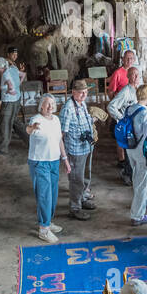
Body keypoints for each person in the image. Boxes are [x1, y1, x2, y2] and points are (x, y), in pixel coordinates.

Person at [26, 94, 69, 242]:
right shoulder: (36, 119)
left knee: (53, 195)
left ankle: (48, 222)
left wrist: (65, 160)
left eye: (52, 103)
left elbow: (59, 140)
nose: (50, 106)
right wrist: (32, 128)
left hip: (54, 162)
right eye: (47, 103)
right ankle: (43, 229)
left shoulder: (56, 120)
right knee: (44, 196)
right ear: (41, 106)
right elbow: (29, 130)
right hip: (40, 162)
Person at [59, 79, 97, 221]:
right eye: (81, 92)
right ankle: (75, 208)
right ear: (73, 92)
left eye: (86, 92)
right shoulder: (68, 108)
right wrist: (64, 157)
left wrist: (93, 120)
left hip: (86, 147)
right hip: (75, 150)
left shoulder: (82, 104)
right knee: (76, 179)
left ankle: (82, 198)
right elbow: (61, 134)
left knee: (86, 176)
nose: (84, 95)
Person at [126, 84, 147, 225]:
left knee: (136, 177)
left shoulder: (130, 109)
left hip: (130, 148)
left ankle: (143, 201)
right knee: (143, 183)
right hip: (141, 151)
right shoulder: (146, 113)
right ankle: (137, 216)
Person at [108, 65, 141, 183]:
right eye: (133, 74)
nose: (136, 77)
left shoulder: (138, 89)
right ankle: (127, 175)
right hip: (128, 126)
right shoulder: (125, 91)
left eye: (138, 75)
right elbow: (111, 106)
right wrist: (121, 119)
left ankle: (131, 173)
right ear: (128, 76)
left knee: (133, 151)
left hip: (136, 126)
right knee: (128, 151)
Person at [0, 47, 23, 155]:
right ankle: (30, 140)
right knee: (15, 121)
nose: (15, 56)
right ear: (8, 54)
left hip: (10, 100)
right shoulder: (5, 64)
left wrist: (12, 89)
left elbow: (5, 79)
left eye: (16, 54)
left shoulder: (12, 65)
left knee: (4, 123)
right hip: (15, 98)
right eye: (13, 54)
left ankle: (1, 148)